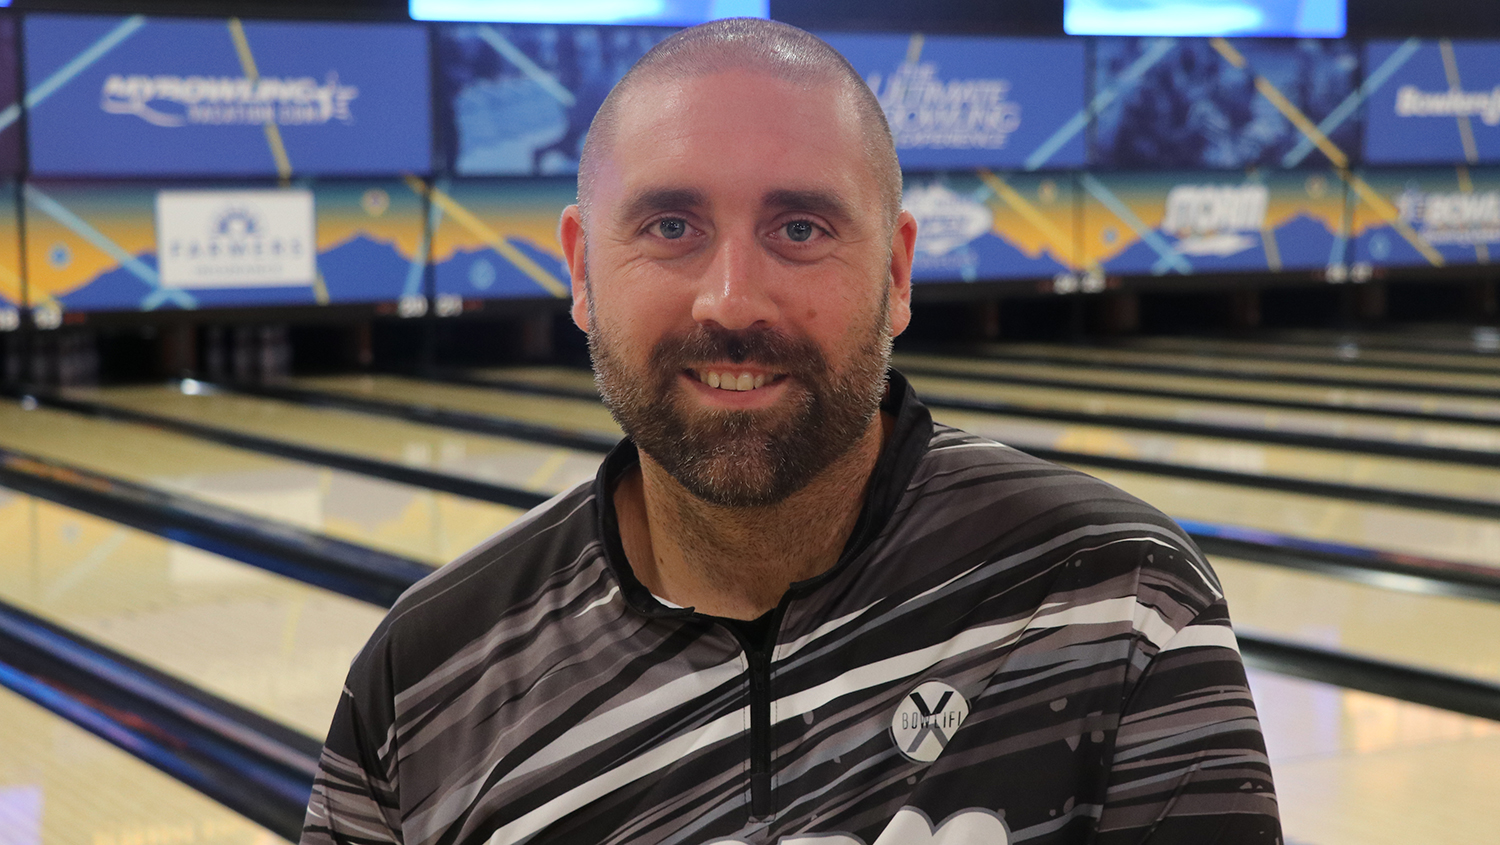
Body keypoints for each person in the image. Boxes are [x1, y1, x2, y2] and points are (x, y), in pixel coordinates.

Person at [301, 19, 1280, 845]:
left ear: (897, 273)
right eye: (672, 227)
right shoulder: (422, 683)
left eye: (801, 228)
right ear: (582, 269)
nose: (733, 299)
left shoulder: (1121, 601)